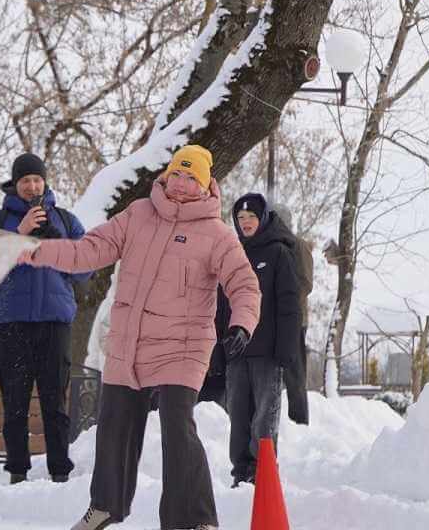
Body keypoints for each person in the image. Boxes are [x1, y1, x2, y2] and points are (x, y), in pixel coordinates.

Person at [18, 145, 261, 530]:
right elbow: (89, 250)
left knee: (177, 424)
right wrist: (37, 251)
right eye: (176, 175)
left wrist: (241, 325)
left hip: (184, 345)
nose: (181, 184)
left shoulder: (216, 233)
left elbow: (245, 284)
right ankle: (104, 507)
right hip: (129, 339)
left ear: (205, 185)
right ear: (166, 175)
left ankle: (196, 520)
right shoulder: (137, 214)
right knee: (114, 425)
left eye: (191, 178)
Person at [0, 153, 90, 485]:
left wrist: (59, 242)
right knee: (15, 400)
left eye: (37, 179)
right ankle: (17, 470)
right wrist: (20, 232)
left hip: (54, 322)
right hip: (12, 323)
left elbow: (86, 270)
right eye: (25, 180)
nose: (32, 186)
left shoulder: (67, 221)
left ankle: (59, 470)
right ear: (15, 185)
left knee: (55, 400)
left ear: (45, 181)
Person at [218, 193, 300, 487]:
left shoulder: (279, 253)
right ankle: (241, 471)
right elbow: (221, 304)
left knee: (265, 416)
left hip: (268, 352)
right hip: (237, 352)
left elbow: (289, 304)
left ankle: (262, 472)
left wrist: (286, 348)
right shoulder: (232, 253)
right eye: (240, 219)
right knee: (238, 414)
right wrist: (219, 349)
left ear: (262, 218)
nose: (246, 223)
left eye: (251, 217)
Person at [275, 204, 312, 425]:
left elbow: (305, 283)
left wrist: (285, 301)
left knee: (295, 373)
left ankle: (299, 420)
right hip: (273, 321)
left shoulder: (298, 245)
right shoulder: (270, 245)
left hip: (295, 320)